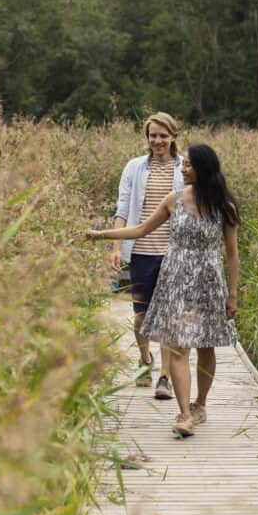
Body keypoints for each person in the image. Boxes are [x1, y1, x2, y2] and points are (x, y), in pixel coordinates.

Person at [87, 144, 240, 438]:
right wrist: (102, 235)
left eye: (187, 165)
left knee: (206, 345)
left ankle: (200, 405)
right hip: (174, 280)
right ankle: (184, 414)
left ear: (203, 169)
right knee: (179, 347)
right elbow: (141, 230)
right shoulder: (175, 200)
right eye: (181, 164)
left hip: (209, 282)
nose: (181, 169)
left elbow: (232, 254)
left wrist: (232, 294)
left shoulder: (224, 206)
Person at [111, 112, 184, 399]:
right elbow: (122, 207)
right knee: (141, 317)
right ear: (147, 138)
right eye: (153, 136)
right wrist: (116, 248)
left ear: (173, 137)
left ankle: (165, 377)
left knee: (166, 317)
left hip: (173, 252)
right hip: (140, 251)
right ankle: (145, 361)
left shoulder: (184, 169)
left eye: (163, 136)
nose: (157, 141)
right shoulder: (134, 168)